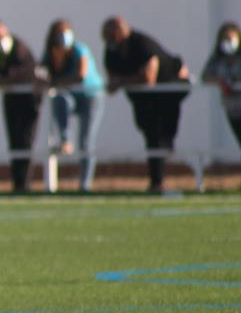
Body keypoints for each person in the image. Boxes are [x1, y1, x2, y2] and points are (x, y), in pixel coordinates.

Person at [101, 16, 190, 193]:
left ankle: (159, 175)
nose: (109, 41)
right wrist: (128, 80)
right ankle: (157, 182)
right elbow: (111, 85)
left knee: (161, 133)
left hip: (171, 86)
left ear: (121, 33)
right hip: (144, 98)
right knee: (149, 132)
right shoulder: (111, 51)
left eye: (112, 36)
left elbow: (148, 79)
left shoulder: (142, 44)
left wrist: (122, 81)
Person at [0, 19, 41, 192]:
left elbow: (20, 76)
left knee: (25, 140)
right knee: (14, 140)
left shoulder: (18, 47)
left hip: (29, 98)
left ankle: (25, 184)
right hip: (10, 97)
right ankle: (18, 184)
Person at [42, 19, 105, 192]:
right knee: (60, 99)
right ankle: (64, 139)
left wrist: (55, 82)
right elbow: (40, 73)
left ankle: (85, 185)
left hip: (91, 96)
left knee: (86, 141)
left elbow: (81, 75)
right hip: (70, 96)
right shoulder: (50, 54)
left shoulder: (79, 50)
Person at [202, 21, 241, 157]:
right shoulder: (218, 58)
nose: (228, 42)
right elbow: (205, 76)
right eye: (225, 39)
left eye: (231, 39)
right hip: (232, 108)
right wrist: (220, 82)